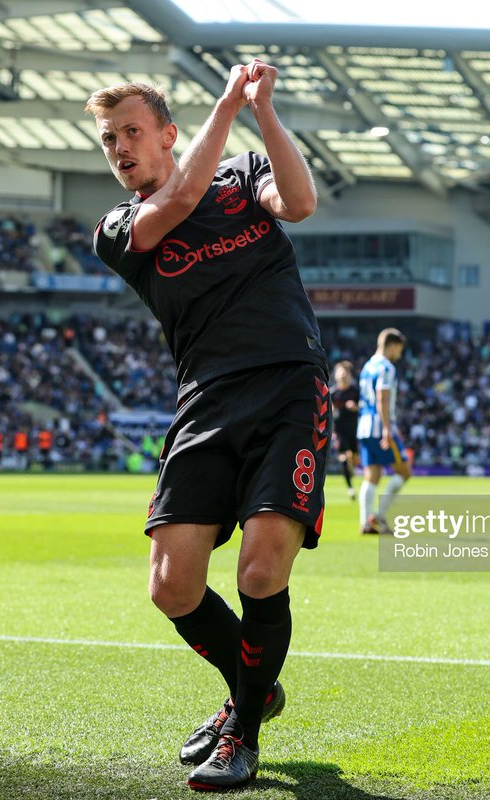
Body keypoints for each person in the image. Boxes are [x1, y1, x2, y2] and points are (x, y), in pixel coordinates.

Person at [87, 59, 328, 790]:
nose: (120, 146)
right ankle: (256, 688)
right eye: (108, 139)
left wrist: (263, 114)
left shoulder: (243, 173)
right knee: (172, 586)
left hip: (289, 383)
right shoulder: (118, 228)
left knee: (260, 568)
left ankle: (243, 733)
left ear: (168, 133)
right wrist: (230, 99)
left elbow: (300, 202)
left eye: (132, 131)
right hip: (206, 400)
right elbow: (183, 194)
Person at [356, 329, 410, 534]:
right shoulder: (386, 367)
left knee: (372, 475)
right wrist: (388, 429)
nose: (400, 354)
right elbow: (383, 398)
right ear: (392, 345)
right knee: (404, 472)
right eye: (399, 349)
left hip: (365, 426)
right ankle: (377, 516)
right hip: (380, 427)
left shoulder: (368, 366)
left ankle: (366, 523)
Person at [330, 361, 359, 500]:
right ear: (335, 375)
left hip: (355, 431)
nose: (343, 375)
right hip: (339, 431)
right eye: (340, 372)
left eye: (346, 373)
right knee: (343, 457)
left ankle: (351, 466)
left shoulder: (355, 391)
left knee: (354, 459)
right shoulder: (332, 393)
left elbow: (365, 406)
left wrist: (356, 407)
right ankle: (350, 488)